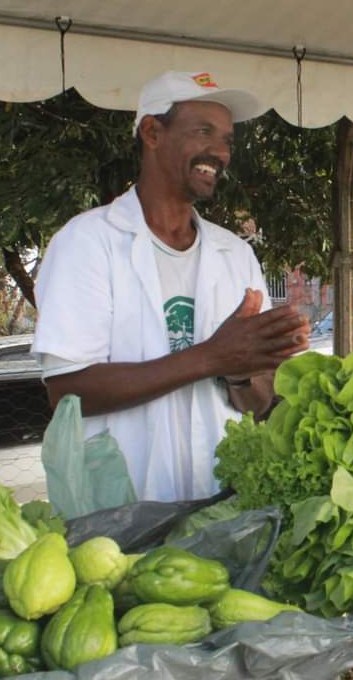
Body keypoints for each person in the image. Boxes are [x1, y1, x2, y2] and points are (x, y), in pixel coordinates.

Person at [33, 71, 310, 502]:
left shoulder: (235, 255)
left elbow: (258, 402)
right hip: (122, 512)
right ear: (152, 132)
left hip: (221, 504)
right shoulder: (86, 243)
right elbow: (67, 391)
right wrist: (211, 357)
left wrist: (241, 372)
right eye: (203, 131)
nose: (219, 152)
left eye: (227, 141)